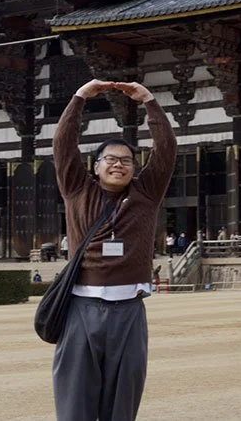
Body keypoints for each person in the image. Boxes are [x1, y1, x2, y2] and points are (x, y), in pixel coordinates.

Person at [52, 79, 176, 421]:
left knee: (124, 397)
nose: (119, 164)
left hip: (130, 309)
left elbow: (166, 150)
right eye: (110, 158)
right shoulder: (78, 190)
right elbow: (63, 145)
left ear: (135, 168)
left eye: (127, 160)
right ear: (95, 165)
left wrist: (150, 102)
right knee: (75, 395)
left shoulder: (146, 193)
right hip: (82, 307)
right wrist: (79, 98)